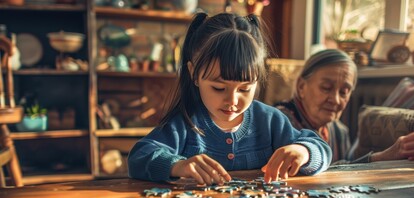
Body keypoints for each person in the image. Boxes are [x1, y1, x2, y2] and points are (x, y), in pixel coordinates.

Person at [128, 12, 332, 184]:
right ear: (193, 74)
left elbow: (321, 148)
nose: (233, 100)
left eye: (244, 89)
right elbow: (139, 157)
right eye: (218, 88)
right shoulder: (184, 124)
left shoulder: (270, 120)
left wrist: (303, 150)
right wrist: (178, 165)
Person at [275, 49, 414, 164]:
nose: (335, 100)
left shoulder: (339, 131)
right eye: (326, 88)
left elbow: (344, 172)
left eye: (344, 92)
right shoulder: (278, 124)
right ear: (301, 86)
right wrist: (384, 156)